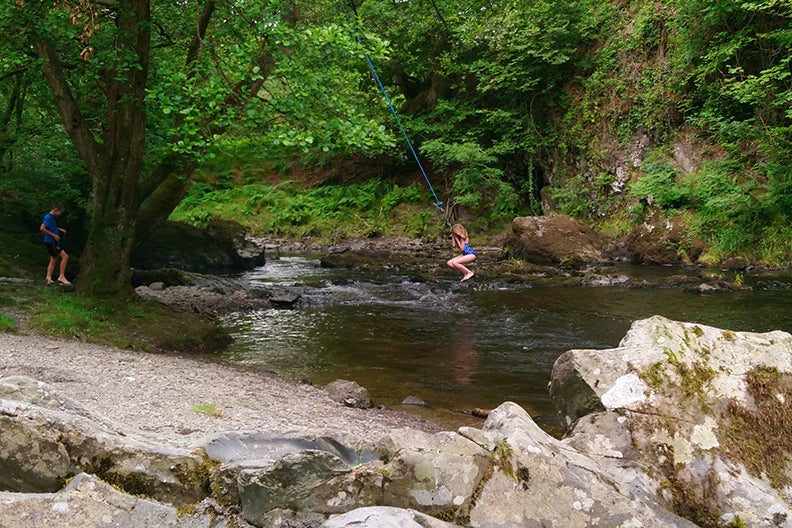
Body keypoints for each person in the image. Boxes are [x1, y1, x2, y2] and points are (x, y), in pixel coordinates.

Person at [40, 203, 72, 285]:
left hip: (50, 241)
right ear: (55, 210)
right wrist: (54, 235)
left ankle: (48, 277)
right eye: (60, 212)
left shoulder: (50, 217)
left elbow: (50, 227)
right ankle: (61, 276)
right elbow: (42, 228)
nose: (60, 214)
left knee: (53, 259)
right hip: (52, 241)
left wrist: (59, 229)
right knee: (65, 256)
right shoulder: (48, 217)